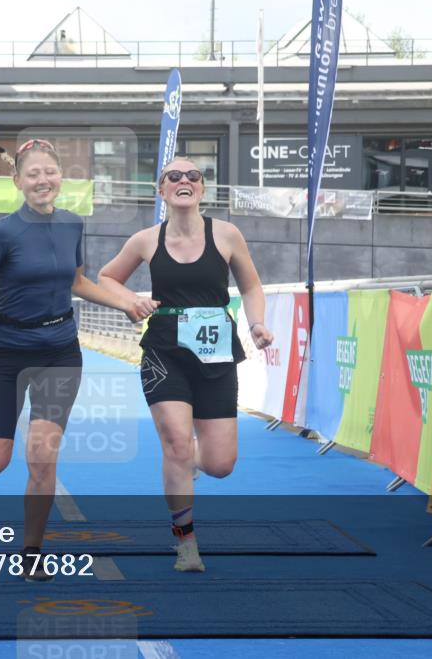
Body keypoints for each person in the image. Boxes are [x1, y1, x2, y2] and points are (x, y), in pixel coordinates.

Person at [0, 138, 147, 581]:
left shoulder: (73, 225)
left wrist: (126, 303)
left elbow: (78, 282)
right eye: (33, 174)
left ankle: (31, 553)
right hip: (5, 352)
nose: (43, 180)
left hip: (60, 351)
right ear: (18, 181)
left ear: (61, 178)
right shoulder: (3, 232)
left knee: (42, 460)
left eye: (50, 172)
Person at [97, 157, 274, 572]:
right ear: (162, 191)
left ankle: (189, 462)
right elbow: (107, 277)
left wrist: (258, 323)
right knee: (176, 442)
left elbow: (250, 285)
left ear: (202, 190)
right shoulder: (146, 240)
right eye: (173, 176)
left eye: (193, 175)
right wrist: (129, 302)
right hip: (164, 352)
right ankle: (185, 542)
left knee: (219, 465)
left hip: (215, 354)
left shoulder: (226, 234)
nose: (184, 180)